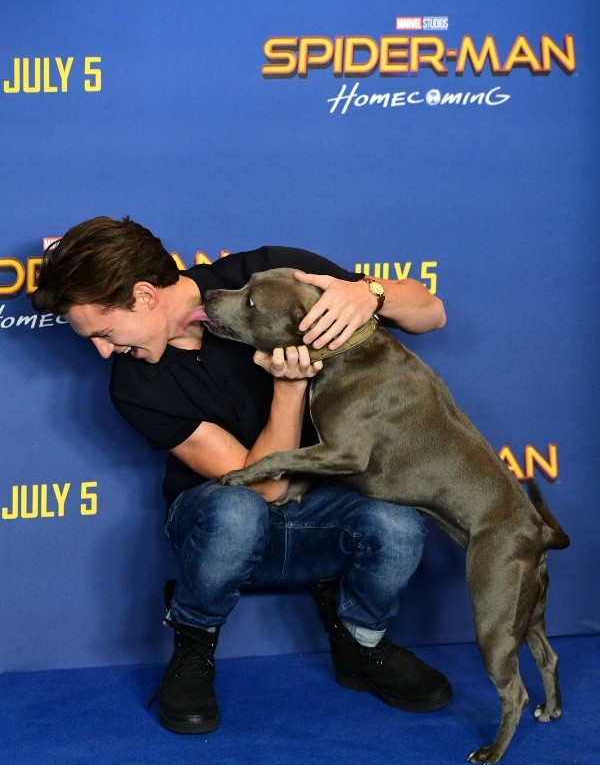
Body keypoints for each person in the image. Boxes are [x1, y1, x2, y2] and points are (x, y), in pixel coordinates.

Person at [32, 216, 451, 735]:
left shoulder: (273, 274)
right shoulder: (134, 383)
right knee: (236, 510)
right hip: (216, 521)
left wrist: (368, 293)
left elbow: (431, 313)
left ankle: (359, 643)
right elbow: (264, 486)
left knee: (399, 522)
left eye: (103, 332)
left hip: (323, 509)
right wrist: (290, 387)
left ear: (143, 296)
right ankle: (193, 641)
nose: (101, 350)